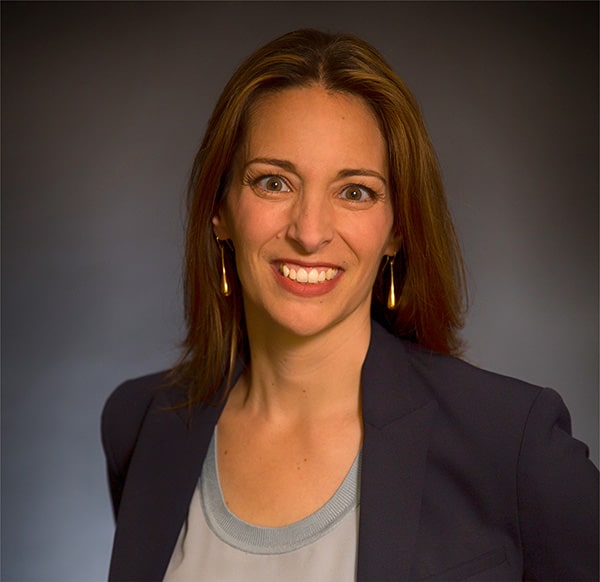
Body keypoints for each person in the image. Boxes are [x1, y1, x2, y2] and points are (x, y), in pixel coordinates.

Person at [102, 29, 598, 581]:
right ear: (220, 211)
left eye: (355, 191)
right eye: (274, 182)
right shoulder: (143, 425)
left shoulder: (510, 442)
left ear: (396, 230)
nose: (310, 232)